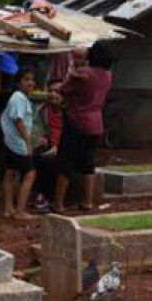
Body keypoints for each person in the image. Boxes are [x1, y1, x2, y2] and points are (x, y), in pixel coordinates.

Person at [54, 41, 114, 211]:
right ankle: (87, 201)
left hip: (77, 121)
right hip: (96, 124)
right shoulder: (107, 75)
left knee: (65, 162)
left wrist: (72, 69)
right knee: (88, 164)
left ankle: (58, 203)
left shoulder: (83, 73)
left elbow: (64, 89)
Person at [0, 69, 37, 220]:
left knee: (10, 173)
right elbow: (18, 121)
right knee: (30, 173)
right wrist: (28, 142)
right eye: (26, 79)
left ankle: (9, 208)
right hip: (17, 142)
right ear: (18, 82)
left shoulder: (18, 98)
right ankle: (20, 210)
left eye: (32, 80)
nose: (30, 83)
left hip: (10, 140)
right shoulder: (18, 98)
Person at [31, 81, 65, 212]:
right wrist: (44, 138)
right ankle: (39, 193)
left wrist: (57, 146)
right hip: (50, 143)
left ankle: (50, 197)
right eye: (50, 91)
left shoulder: (68, 111)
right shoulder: (44, 110)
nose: (53, 94)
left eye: (57, 92)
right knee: (37, 156)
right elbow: (44, 129)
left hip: (66, 144)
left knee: (51, 162)